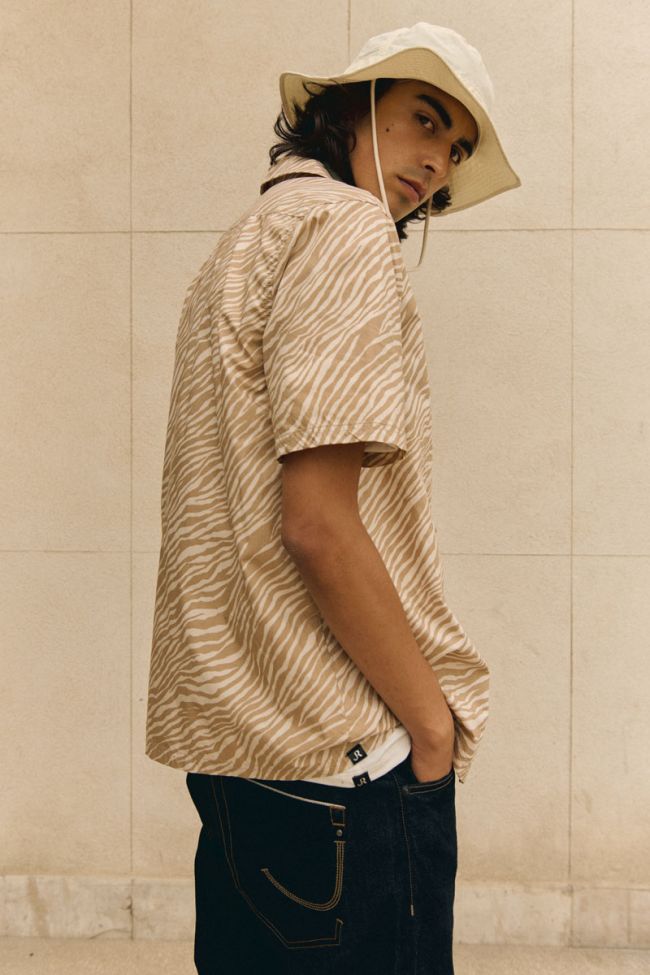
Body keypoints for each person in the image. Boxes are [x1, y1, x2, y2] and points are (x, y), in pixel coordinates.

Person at [144, 21, 521, 975]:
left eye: (456, 148)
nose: (436, 162)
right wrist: (428, 727)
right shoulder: (346, 229)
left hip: (240, 762)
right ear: (353, 106)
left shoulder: (240, 247)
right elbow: (316, 523)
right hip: (342, 764)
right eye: (425, 119)